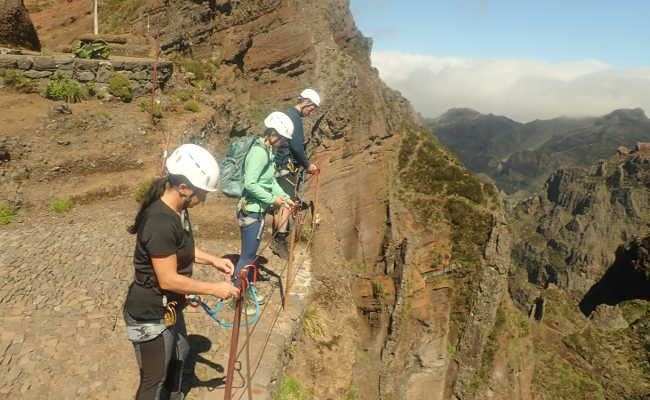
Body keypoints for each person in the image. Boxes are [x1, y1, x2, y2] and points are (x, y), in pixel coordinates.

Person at [123, 143, 239, 400]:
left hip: (169, 304)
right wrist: (212, 289)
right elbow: (167, 278)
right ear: (184, 188)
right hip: (150, 311)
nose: (205, 199)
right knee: (154, 379)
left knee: (181, 350)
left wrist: (213, 261)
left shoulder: (178, 211)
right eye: (202, 193)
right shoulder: (160, 221)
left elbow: (181, 250)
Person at [235, 111, 296, 294]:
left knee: (251, 255)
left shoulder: (268, 150)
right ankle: (238, 295)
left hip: (257, 210)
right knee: (247, 257)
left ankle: (247, 288)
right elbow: (250, 183)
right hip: (251, 211)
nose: (284, 142)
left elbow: (270, 181)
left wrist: (285, 198)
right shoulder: (259, 153)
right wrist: (272, 200)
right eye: (283, 139)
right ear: (273, 134)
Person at [271, 88, 321, 259]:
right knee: (287, 203)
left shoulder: (289, 115)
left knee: (282, 203)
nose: (310, 112)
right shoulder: (295, 119)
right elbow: (296, 147)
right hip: (286, 166)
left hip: (279, 165)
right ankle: (280, 241)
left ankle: (277, 236)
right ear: (305, 102)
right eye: (311, 108)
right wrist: (308, 165)